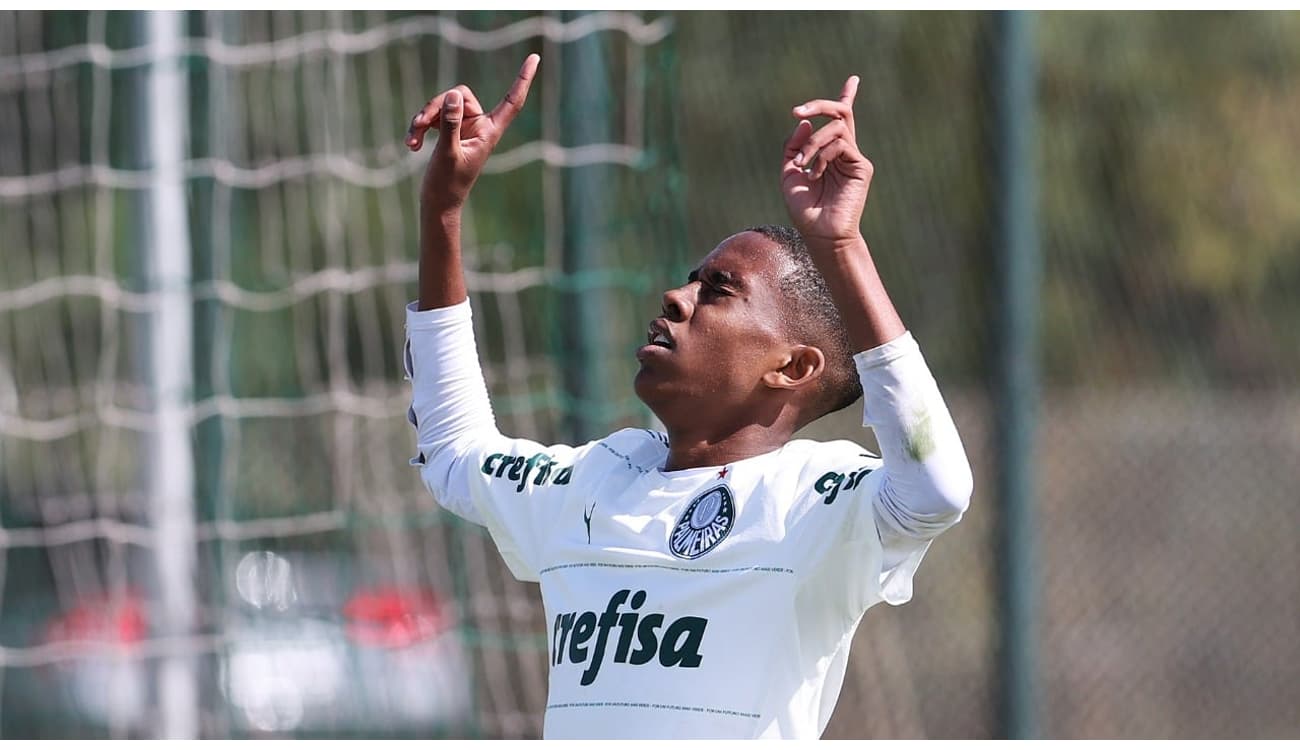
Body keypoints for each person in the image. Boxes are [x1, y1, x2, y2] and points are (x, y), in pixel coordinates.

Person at [401, 54, 972, 740]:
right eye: (690, 279)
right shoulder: (586, 485)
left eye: (719, 290)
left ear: (792, 367)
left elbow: (936, 487)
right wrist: (442, 211)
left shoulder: (815, 501)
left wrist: (841, 245)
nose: (678, 296)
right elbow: (453, 451)